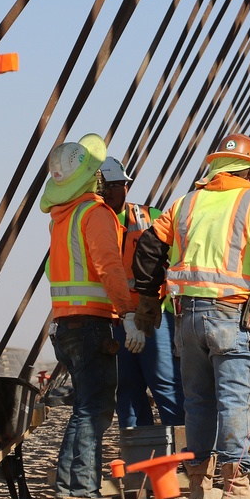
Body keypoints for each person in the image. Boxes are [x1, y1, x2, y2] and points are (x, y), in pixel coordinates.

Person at [131, 133, 250, 499]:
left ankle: (200, 487)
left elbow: (149, 248)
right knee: (235, 399)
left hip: (187, 318)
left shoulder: (184, 205)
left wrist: (147, 303)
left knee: (198, 401)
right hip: (230, 316)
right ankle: (238, 489)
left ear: (214, 167)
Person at [41, 133, 146, 498]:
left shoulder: (60, 218)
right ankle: (82, 490)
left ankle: (71, 488)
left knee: (85, 407)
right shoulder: (94, 213)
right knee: (96, 409)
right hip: (92, 325)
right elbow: (109, 267)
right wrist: (128, 314)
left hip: (65, 324)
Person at [98, 157, 184, 429]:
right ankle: (139, 456)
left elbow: (177, 258)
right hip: (115, 320)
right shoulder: (93, 221)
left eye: (115, 185)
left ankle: (184, 454)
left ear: (126, 186)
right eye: (104, 186)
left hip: (153, 317)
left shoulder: (151, 218)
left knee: (166, 385)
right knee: (127, 389)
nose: (109, 191)